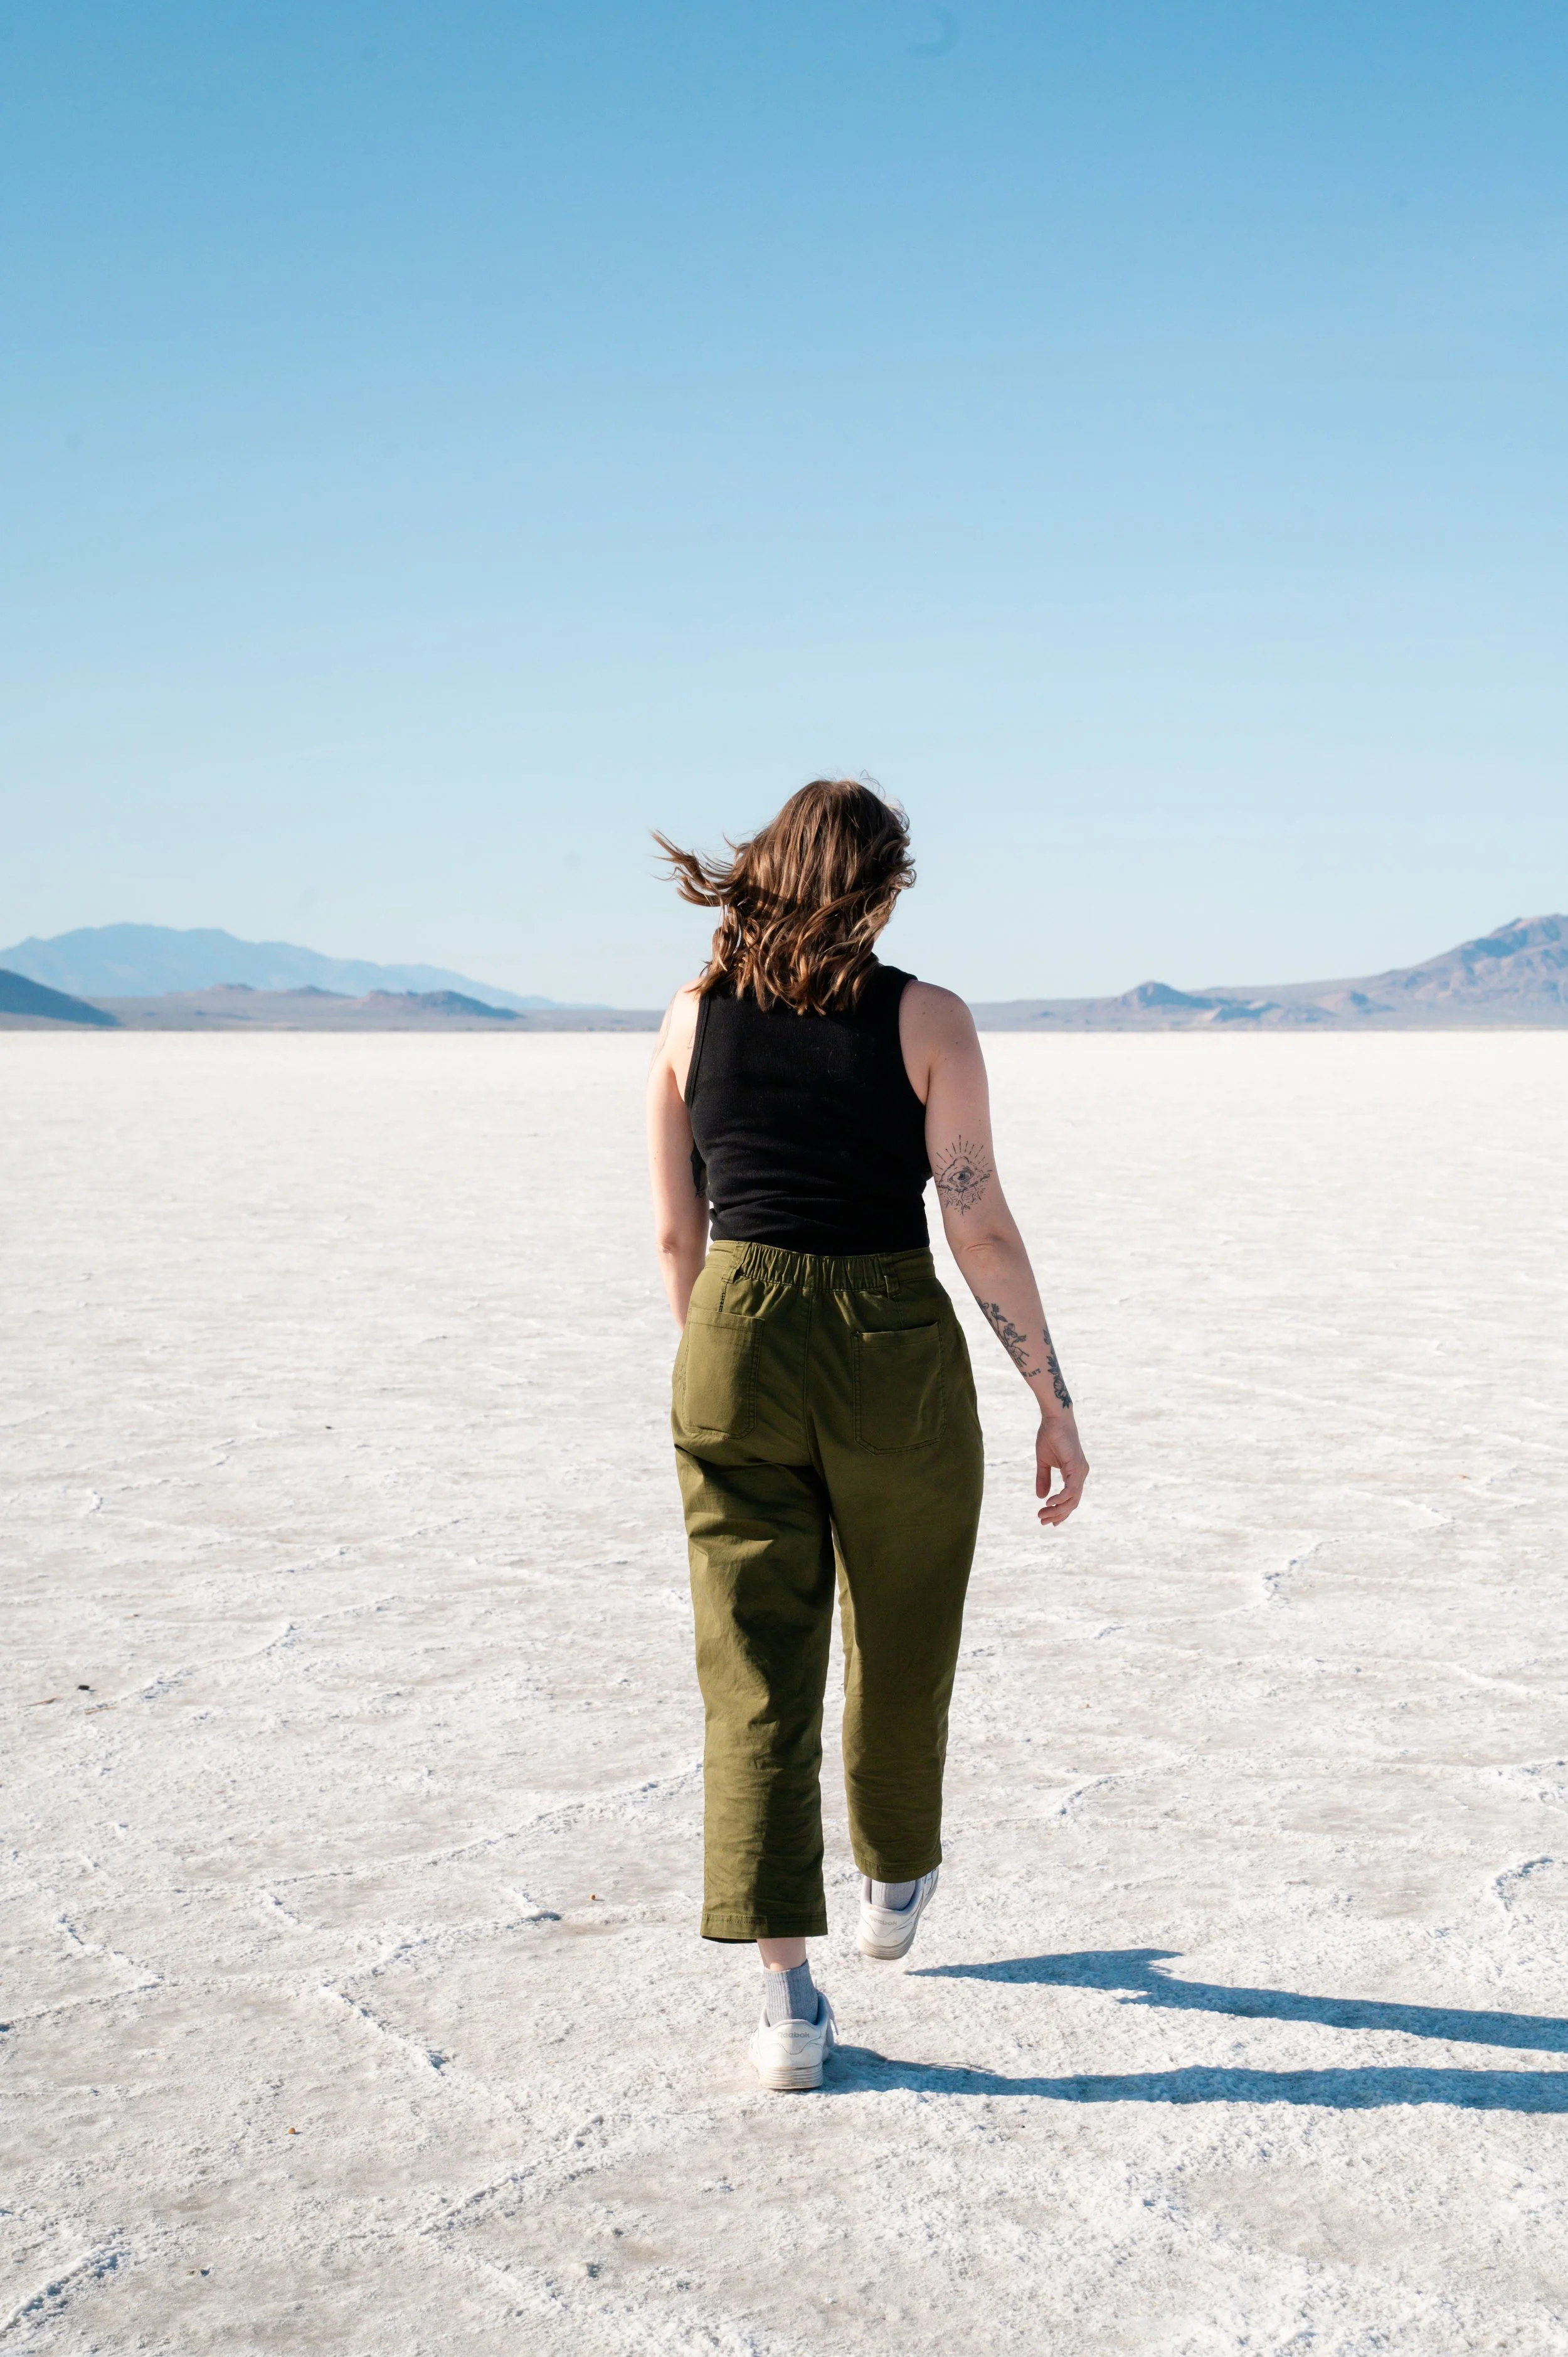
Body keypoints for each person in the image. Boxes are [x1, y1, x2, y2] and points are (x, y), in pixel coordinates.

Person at [646, 779, 1089, 2092]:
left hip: (728, 1332)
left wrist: (715, 1362)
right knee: (902, 1630)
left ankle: (785, 2003)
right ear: (881, 887)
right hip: (888, 1343)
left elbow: (679, 1230)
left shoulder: (687, 1018)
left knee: (753, 1670)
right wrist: (1049, 1399)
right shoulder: (926, 1018)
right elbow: (976, 1218)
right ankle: (896, 1874)